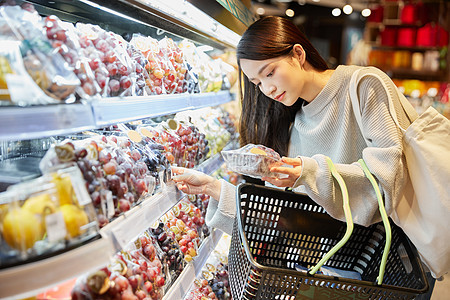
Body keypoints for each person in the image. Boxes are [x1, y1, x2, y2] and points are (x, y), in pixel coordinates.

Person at [172, 16, 435, 299]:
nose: (267, 89)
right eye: (257, 82)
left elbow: (388, 184)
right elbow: (282, 218)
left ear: (298, 54)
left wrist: (308, 173)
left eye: (270, 72)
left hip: (393, 270)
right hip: (342, 277)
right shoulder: (296, 126)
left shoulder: (363, 86)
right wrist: (214, 188)